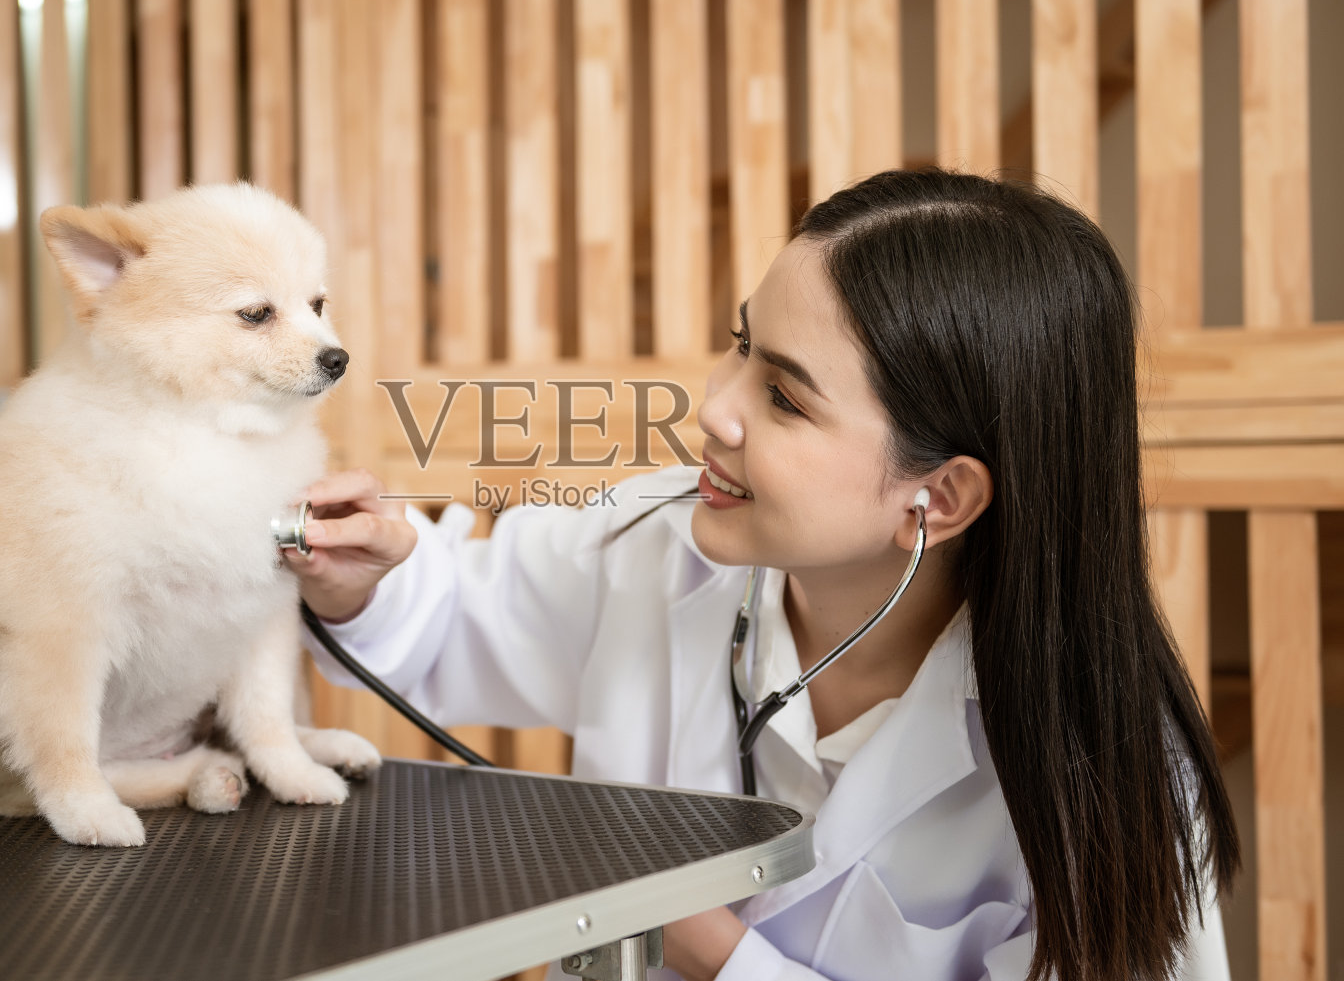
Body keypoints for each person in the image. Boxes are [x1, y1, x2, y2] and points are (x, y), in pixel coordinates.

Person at [279, 169, 1240, 981]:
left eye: (782, 395)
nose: (713, 409)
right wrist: (368, 576)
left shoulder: (1116, 770)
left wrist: (720, 954)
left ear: (939, 496)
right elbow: (459, 609)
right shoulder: (658, 541)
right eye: (742, 345)